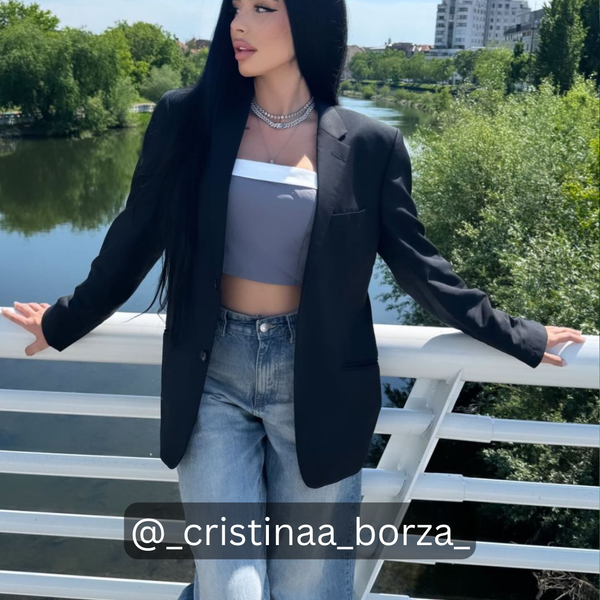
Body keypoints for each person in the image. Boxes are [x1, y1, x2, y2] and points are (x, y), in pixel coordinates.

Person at [1, 0, 586, 598]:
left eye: (263, 7)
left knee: (311, 587)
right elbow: (135, 235)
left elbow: (421, 268)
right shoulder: (187, 120)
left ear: (311, 19)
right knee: (232, 587)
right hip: (211, 377)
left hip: (319, 383)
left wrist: (518, 335)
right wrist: (64, 320)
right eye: (236, 7)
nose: (239, 23)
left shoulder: (370, 145)